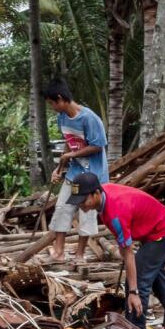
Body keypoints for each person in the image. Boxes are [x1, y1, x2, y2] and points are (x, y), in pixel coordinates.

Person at [62, 171, 165, 329]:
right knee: (156, 275)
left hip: (160, 231)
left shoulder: (115, 212)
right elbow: (125, 243)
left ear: (96, 193)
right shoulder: (104, 200)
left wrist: (133, 293)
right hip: (154, 228)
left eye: (83, 200)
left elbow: (128, 254)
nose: (81, 205)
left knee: (138, 281)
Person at [44, 81, 109, 263]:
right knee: (63, 208)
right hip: (74, 173)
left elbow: (98, 146)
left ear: (60, 99)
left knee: (87, 212)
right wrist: (58, 169)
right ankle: (58, 252)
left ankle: (80, 255)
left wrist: (71, 154)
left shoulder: (89, 118)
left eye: (51, 103)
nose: (51, 107)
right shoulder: (62, 117)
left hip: (91, 176)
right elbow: (69, 141)